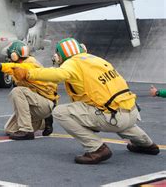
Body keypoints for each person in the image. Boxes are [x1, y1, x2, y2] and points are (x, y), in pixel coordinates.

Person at [12, 37, 160, 164]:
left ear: (60, 56)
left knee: (60, 112)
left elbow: (57, 74)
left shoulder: (72, 63)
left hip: (112, 117)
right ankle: (147, 144)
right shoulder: (97, 60)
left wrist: (28, 73)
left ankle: (96, 148)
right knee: (115, 113)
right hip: (131, 112)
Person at [0, 40, 58, 140]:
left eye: (10, 55)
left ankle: (26, 130)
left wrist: (0, 66)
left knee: (17, 91)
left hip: (45, 102)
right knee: (10, 130)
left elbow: (16, 68)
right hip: (36, 102)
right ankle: (43, 122)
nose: (9, 58)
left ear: (14, 55)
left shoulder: (29, 63)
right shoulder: (23, 64)